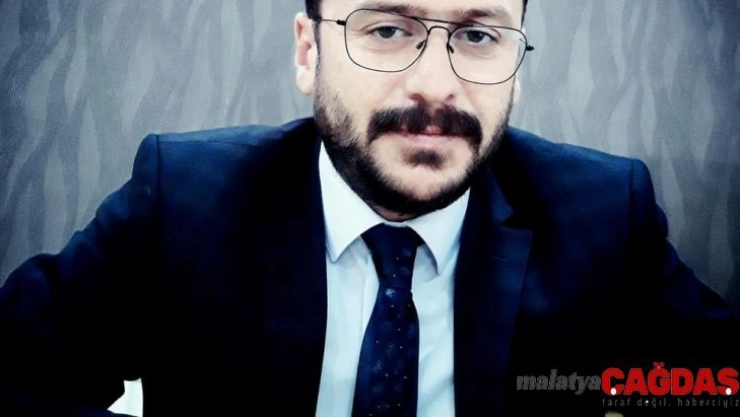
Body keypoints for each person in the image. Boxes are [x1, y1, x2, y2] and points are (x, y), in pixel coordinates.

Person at [0, 0, 738, 416]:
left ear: (516, 67)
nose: (436, 85)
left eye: (477, 36)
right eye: (387, 29)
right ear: (308, 52)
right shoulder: (186, 197)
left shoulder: (604, 214)